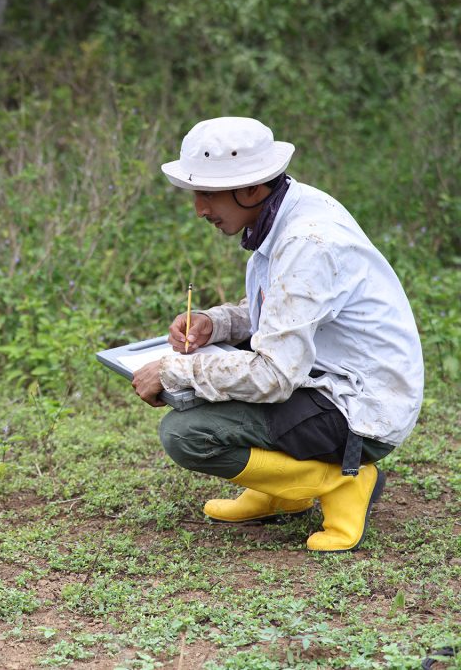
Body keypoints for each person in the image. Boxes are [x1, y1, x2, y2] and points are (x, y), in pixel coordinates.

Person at [130, 117, 423, 552]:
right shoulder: (289, 209)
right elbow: (288, 310)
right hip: (324, 379)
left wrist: (177, 369)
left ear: (250, 190)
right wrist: (219, 323)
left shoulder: (309, 241)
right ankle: (276, 491)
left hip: (358, 408)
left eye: (208, 194)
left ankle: (340, 482)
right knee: (223, 383)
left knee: (186, 433)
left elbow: (273, 375)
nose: (200, 210)